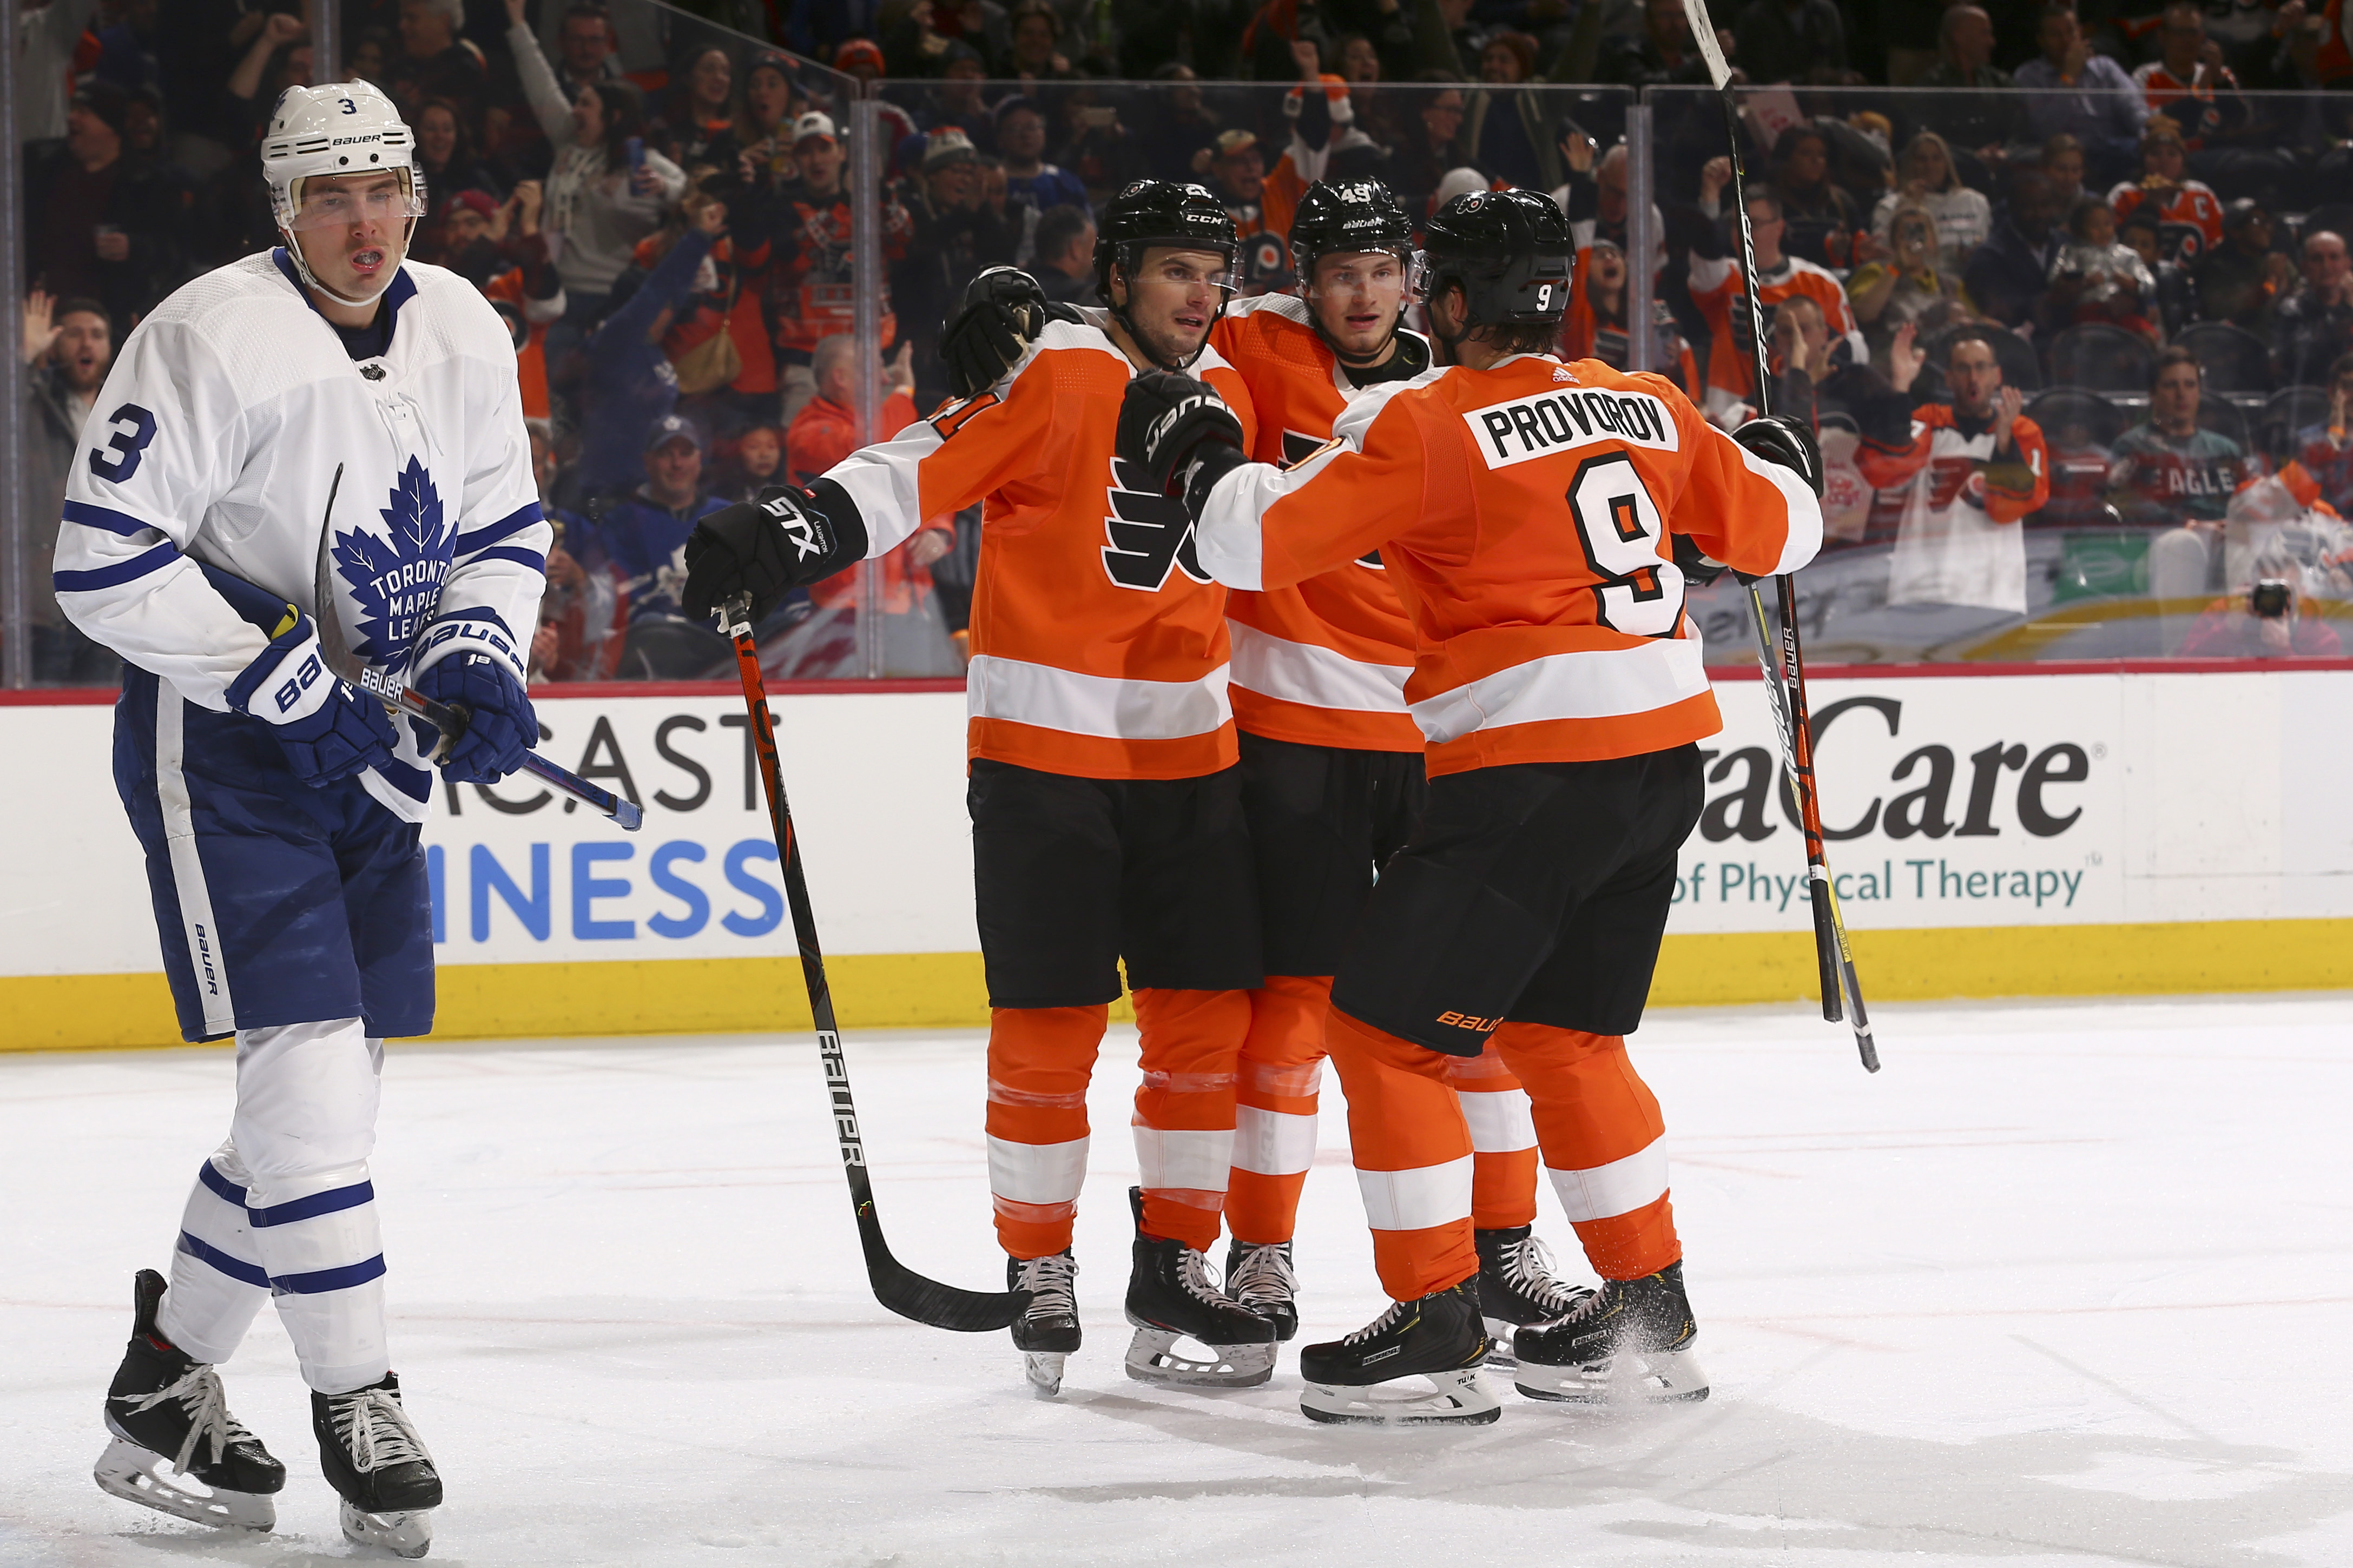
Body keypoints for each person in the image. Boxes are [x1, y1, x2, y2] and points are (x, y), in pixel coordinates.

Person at [1105, 187, 1825, 1426]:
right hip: (1660, 758)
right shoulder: (1646, 406)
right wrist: (1771, 461)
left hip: (1529, 766)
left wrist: (1202, 453)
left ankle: (1436, 1319)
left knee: (1384, 1035)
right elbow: (1786, 535)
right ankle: (1652, 1311)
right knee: (1563, 1041)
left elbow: (1249, 548)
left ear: (1444, 302)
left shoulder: (1432, 421)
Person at [928, 178, 1597, 1354]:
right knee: (1282, 1020)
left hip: (1445, 740)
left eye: (1384, 271)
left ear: (1420, 281)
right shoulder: (1250, 341)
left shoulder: (1476, 392)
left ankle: (1500, 1250)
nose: (1361, 294)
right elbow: (1130, 335)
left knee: (1472, 1017)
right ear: (1302, 277)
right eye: (1336, 271)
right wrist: (1014, 310)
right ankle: (1260, 1250)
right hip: (1290, 739)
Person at [679, 181, 1280, 1400]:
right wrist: (788, 530)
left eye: (1210, 275)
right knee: (1051, 1027)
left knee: (1203, 1022)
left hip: (1193, 753)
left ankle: (1173, 1255)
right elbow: (917, 469)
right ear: (1115, 277)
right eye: (1172, 271)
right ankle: (1039, 1262)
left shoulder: (1231, 381)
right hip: (1045, 752)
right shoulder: (1057, 374)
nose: (1198, 297)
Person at [57, 83, 546, 1558]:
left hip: (375, 745)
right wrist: (281, 681)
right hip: (225, 752)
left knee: (321, 1104)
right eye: (328, 195)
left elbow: (501, 527)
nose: (360, 221)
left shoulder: (461, 320)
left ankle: (163, 1379)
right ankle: (360, 1398)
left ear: (416, 191)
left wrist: (478, 651)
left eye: (382, 188)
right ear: (283, 206)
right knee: (314, 1076)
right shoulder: (206, 335)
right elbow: (102, 560)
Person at [1860, 328, 2051, 616]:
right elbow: (1883, 471)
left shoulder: (2023, 432)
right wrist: (1900, 387)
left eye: (1981, 368)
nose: (1973, 379)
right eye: (1963, 369)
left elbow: (2010, 509)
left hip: (1995, 596)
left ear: (1997, 376)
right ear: (1949, 378)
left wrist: (2004, 442)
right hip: (1922, 590)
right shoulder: (1929, 421)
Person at [1688, 183, 1863, 428]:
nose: (1743, 232)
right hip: (1729, 415)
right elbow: (1705, 257)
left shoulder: (1821, 284)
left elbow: (1853, 350)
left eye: (1754, 224)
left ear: (1779, 227)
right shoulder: (1724, 277)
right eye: (1737, 225)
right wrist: (1710, 200)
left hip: (1800, 409)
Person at [18, 292, 120, 684]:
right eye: (74, 333)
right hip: (43, 610)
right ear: (55, 343)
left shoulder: (129, 413)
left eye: (96, 334)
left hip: (110, 601)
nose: (86, 343)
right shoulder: (34, 406)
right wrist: (21, 359)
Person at [2014, 4, 2147, 184]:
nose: (2066, 40)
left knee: (2144, 148)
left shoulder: (2105, 67)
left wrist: (2147, 132)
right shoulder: (2029, 76)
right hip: (2064, 157)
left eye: (2070, 32)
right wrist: (2068, 78)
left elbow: (2133, 106)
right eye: (2056, 35)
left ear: (2080, 32)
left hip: (2111, 151)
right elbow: (2047, 130)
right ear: (2041, 40)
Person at [1869, 131, 1993, 275]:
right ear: (1910, 164)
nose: (1930, 166)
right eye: (1922, 159)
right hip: (1913, 284)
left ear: (1947, 163)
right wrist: (1910, 204)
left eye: (1936, 158)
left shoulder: (1974, 202)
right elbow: (1885, 257)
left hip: (1968, 280)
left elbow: (1986, 248)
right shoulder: (1889, 207)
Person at [2107, 121, 2224, 253]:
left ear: (2183, 161)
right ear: (2143, 160)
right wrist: (2148, 205)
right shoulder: (2125, 194)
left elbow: (2218, 241)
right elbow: (2110, 241)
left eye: (2172, 154)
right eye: (2155, 154)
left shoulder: (2202, 194)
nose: (2164, 161)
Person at [2194, 199, 2295, 333]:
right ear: (2235, 231)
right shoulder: (2217, 269)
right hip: (2235, 341)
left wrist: (2283, 282)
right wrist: (2271, 280)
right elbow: (2226, 311)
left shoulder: (2279, 263)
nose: (2266, 228)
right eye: (2257, 221)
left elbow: (2297, 303)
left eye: (2268, 222)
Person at [2274, 229, 2353, 387]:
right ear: (2304, 267)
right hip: (2311, 396)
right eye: (2317, 259)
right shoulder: (2291, 309)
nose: (2326, 266)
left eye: (2334, 257)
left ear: (2347, 264)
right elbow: (2298, 357)